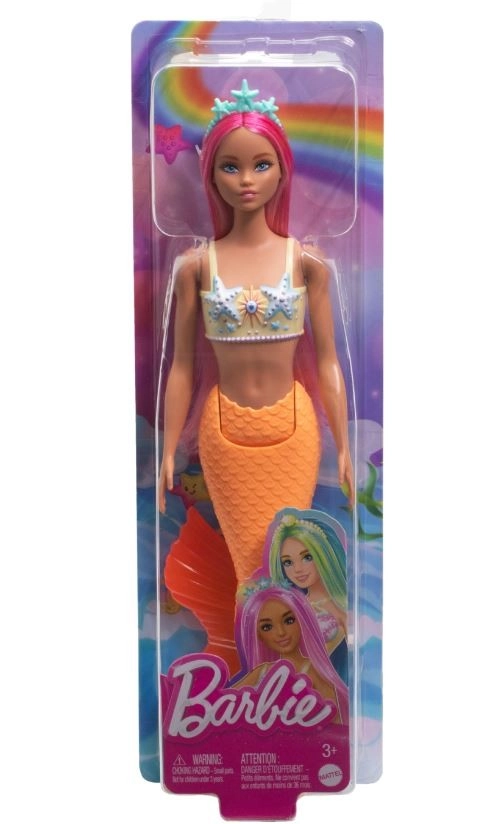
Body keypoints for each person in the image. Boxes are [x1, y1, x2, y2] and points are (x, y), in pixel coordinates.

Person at [159, 79, 353, 585]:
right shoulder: (196, 266)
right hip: (224, 434)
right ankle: (243, 635)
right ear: (210, 173)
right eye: (230, 166)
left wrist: (345, 448)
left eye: (261, 165)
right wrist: (167, 450)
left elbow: (328, 360)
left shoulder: (306, 263)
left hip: (294, 431)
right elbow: (181, 367)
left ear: (282, 170)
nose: (246, 179)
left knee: (288, 567)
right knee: (248, 570)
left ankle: (293, 637)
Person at [232, 583, 348, 725]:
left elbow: (335, 721)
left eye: (289, 620)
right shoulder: (262, 671)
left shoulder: (315, 672)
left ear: (301, 621)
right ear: (259, 636)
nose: (281, 632)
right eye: (267, 627)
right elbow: (223, 701)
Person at [267, 509, 348, 682]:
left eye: (307, 557)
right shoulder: (290, 606)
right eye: (288, 562)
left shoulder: (342, 606)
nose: (297, 569)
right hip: (290, 684)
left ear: (323, 555)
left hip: (329, 684)